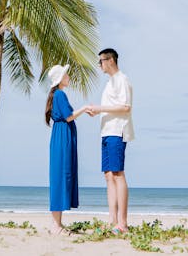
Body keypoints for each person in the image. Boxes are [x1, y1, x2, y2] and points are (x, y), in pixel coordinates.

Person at [85, 48, 134, 234]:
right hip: (106, 132)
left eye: (101, 61)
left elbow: (125, 107)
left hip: (117, 131)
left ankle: (123, 223)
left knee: (117, 173)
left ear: (110, 60)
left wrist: (99, 108)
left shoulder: (122, 80)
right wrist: (98, 111)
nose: (100, 65)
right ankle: (112, 220)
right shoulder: (110, 83)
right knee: (108, 176)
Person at [46, 63, 87, 234]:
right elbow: (69, 117)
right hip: (62, 137)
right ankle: (56, 225)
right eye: (66, 74)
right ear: (60, 79)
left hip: (62, 136)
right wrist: (85, 108)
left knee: (61, 175)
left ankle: (58, 223)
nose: (69, 77)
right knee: (60, 176)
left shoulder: (57, 95)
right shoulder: (60, 94)